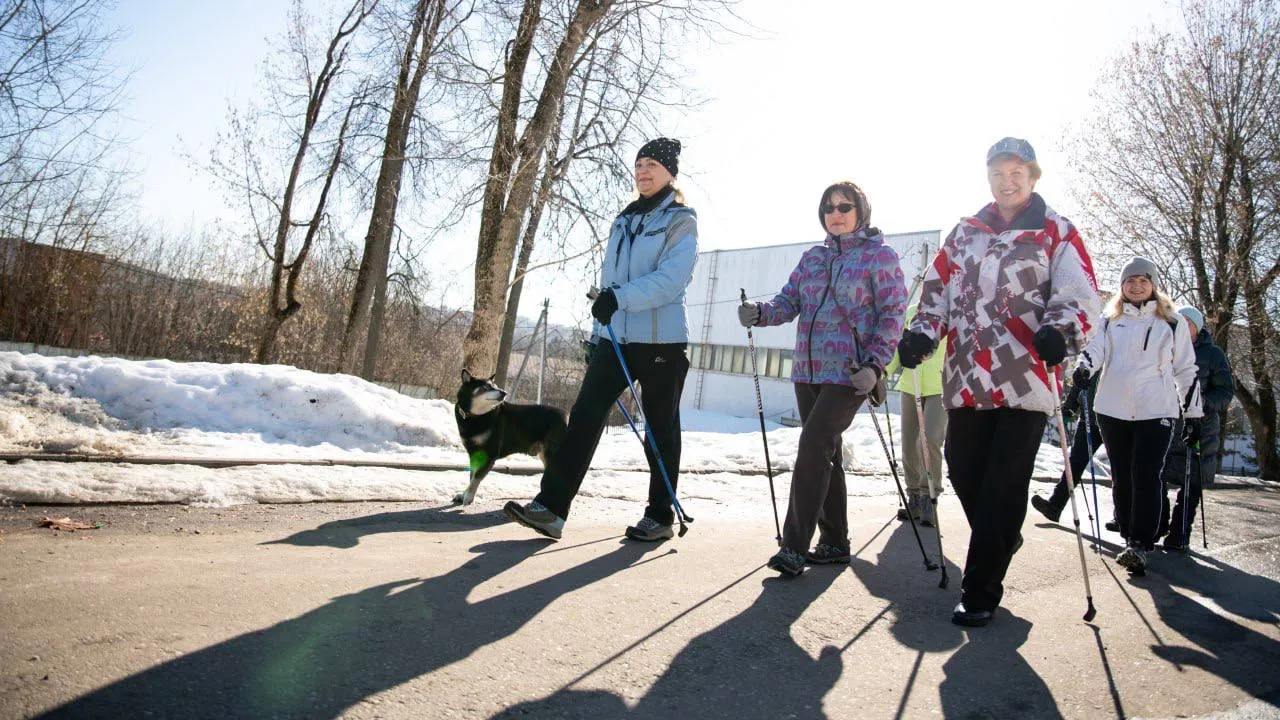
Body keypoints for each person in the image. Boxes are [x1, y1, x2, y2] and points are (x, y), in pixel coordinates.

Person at [897, 137, 1099, 627]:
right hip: (966, 376)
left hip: (1024, 378)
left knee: (1005, 483)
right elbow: (937, 290)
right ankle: (1003, 537)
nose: (1007, 181)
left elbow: (1081, 291)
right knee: (965, 471)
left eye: (1016, 172)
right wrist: (922, 333)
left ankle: (980, 588)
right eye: (998, 173)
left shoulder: (1056, 230)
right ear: (988, 177)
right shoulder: (965, 233)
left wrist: (1061, 329)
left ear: (1032, 176)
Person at [505, 138, 697, 541]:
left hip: (662, 344)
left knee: (660, 429)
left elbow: (670, 282)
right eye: (639, 164)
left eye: (652, 165)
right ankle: (552, 508)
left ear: (670, 173)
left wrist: (619, 299)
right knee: (585, 417)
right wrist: (597, 333)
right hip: (617, 339)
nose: (643, 172)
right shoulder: (624, 219)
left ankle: (660, 515)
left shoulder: (681, 220)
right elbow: (608, 283)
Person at [737, 181, 907, 577]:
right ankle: (834, 542)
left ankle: (794, 546)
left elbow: (893, 315)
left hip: (850, 373)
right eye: (829, 207)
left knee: (813, 444)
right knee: (825, 450)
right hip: (808, 371)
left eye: (845, 206)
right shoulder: (813, 258)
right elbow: (788, 301)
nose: (836, 213)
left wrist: (876, 365)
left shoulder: (880, 257)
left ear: (861, 211)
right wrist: (760, 312)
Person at [1073, 258, 1198, 575]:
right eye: (1130, 281)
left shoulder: (1172, 322)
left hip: (1156, 410)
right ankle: (1129, 536)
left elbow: (1185, 368)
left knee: (1146, 475)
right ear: (1122, 287)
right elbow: (1094, 348)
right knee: (1122, 476)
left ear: (1153, 284)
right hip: (1112, 410)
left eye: (1143, 280)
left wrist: (1193, 413)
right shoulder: (1109, 319)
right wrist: (1084, 367)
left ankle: (1141, 543)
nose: (1136, 285)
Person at [1159, 305, 1234, 551]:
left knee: (1191, 482)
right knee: (1157, 473)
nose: (1182, 325)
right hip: (1168, 423)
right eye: (1178, 321)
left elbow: (1225, 390)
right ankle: (1159, 522)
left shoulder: (1213, 354)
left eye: (1187, 322)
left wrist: (1203, 404)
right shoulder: (1166, 348)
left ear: (1197, 327)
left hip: (1201, 426)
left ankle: (1180, 532)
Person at [884, 303, 947, 526]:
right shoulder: (911, 313)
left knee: (928, 440)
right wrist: (883, 372)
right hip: (911, 384)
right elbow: (897, 350)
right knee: (909, 445)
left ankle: (930, 495)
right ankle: (914, 497)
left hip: (941, 387)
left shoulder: (948, 312)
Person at [1029, 377, 1102, 523]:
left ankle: (1122, 518)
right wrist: (1070, 406)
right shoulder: (1091, 356)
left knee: (1122, 469)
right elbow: (1081, 379)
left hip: (1115, 418)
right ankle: (1054, 507)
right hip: (1089, 417)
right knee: (1074, 463)